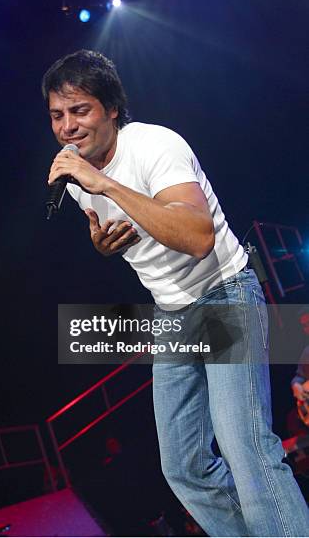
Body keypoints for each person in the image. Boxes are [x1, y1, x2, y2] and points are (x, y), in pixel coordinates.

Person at [42, 49, 309, 536]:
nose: (67, 127)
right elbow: (123, 230)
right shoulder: (80, 180)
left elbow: (197, 236)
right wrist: (101, 245)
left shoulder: (155, 146)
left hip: (222, 292)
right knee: (184, 466)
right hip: (172, 314)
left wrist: (105, 184)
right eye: (57, 115)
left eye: (80, 110)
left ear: (112, 108)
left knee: (244, 444)